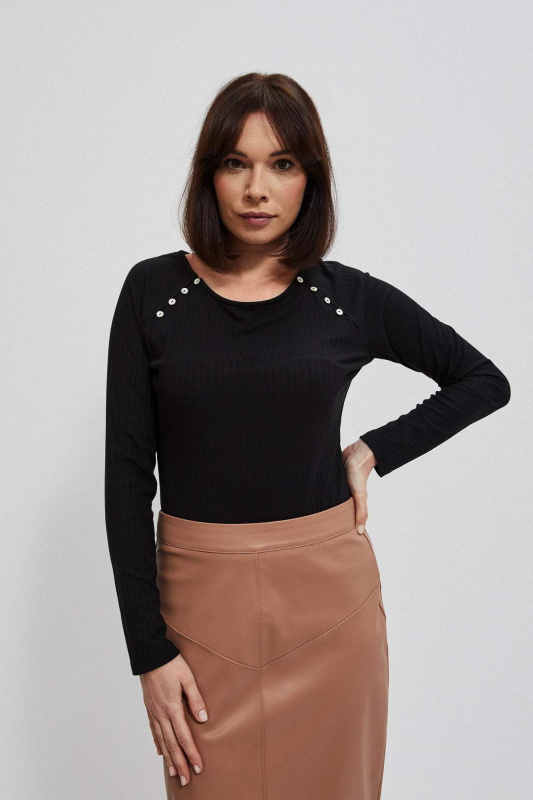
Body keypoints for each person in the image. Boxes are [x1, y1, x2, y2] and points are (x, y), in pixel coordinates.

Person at [104, 72, 511, 800]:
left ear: (310, 179)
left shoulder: (342, 297)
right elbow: (127, 480)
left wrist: (374, 450)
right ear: (209, 175)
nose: (256, 189)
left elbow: (482, 379)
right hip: (200, 616)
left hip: (330, 613)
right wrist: (148, 653)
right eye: (236, 163)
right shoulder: (152, 294)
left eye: (282, 163)